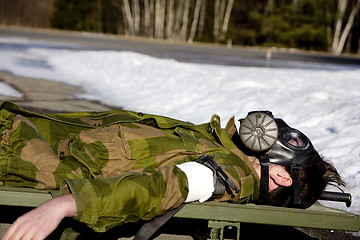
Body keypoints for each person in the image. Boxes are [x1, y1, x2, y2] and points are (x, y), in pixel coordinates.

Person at [0, 101, 343, 240]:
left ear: (282, 176)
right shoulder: (225, 150)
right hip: (26, 135)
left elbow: (160, 188)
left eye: (289, 143)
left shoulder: (229, 174)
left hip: (20, 151)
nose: (279, 133)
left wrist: (63, 205)